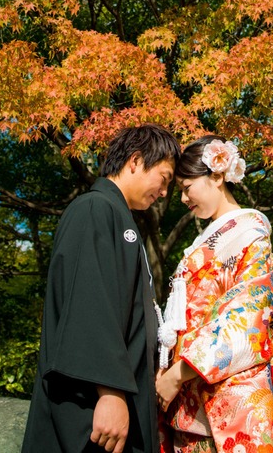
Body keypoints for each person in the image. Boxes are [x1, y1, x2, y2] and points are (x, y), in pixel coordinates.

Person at [23, 124, 181, 453]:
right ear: (135, 161)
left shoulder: (118, 217)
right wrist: (110, 392)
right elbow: (89, 305)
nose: (164, 192)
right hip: (93, 404)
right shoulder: (95, 209)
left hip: (116, 396)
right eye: (164, 179)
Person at [154, 136, 273, 453]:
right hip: (190, 403)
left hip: (225, 400)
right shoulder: (209, 241)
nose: (182, 198)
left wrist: (176, 376)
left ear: (217, 175)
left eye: (187, 187)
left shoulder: (250, 235)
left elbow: (245, 322)